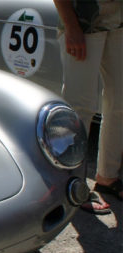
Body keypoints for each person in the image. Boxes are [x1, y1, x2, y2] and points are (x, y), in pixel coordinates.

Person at [53, 0, 123, 214]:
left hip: (118, 22)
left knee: (119, 103)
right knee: (80, 107)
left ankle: (107, 177)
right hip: (82, 21)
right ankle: (73, 184)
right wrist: (72, 26)